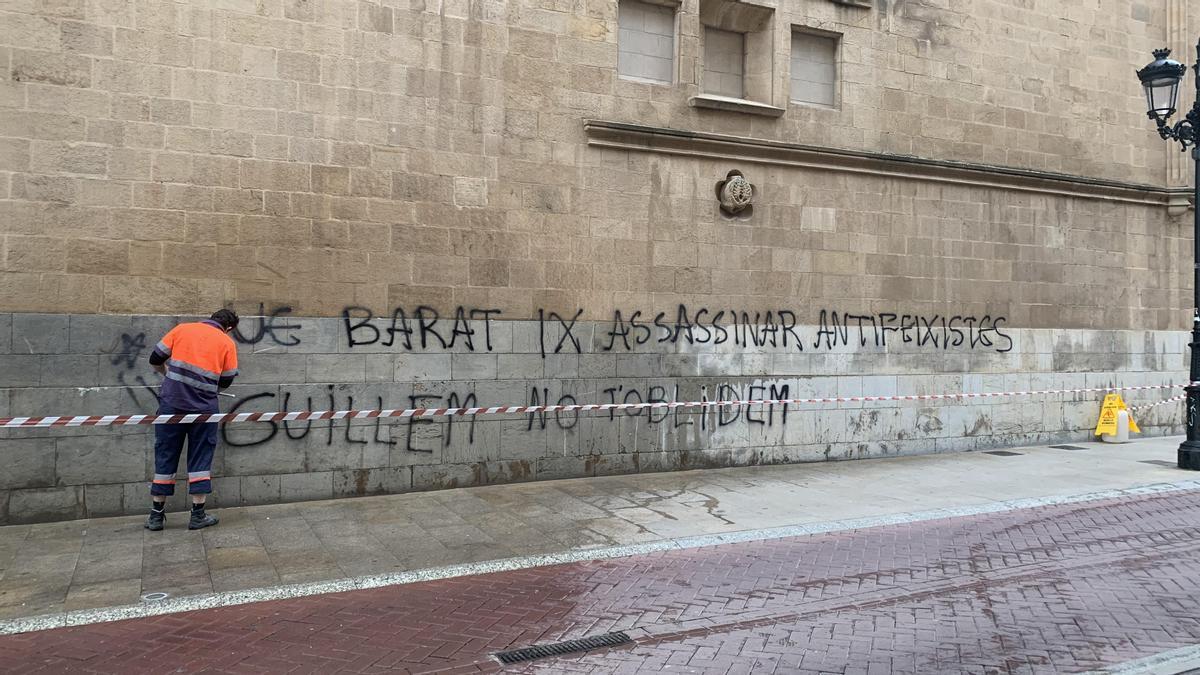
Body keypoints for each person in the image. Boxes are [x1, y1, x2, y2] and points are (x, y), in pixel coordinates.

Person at [145, 309, 240, 531]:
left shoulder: (182, 329)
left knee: (166, 453)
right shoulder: (226, 342)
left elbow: (155, 358)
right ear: (230, 328)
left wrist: (167, 374)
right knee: (200, 456)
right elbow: (225, 382)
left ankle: (156, 515)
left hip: (171, 405)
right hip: (204, 409)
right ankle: (197, 515)